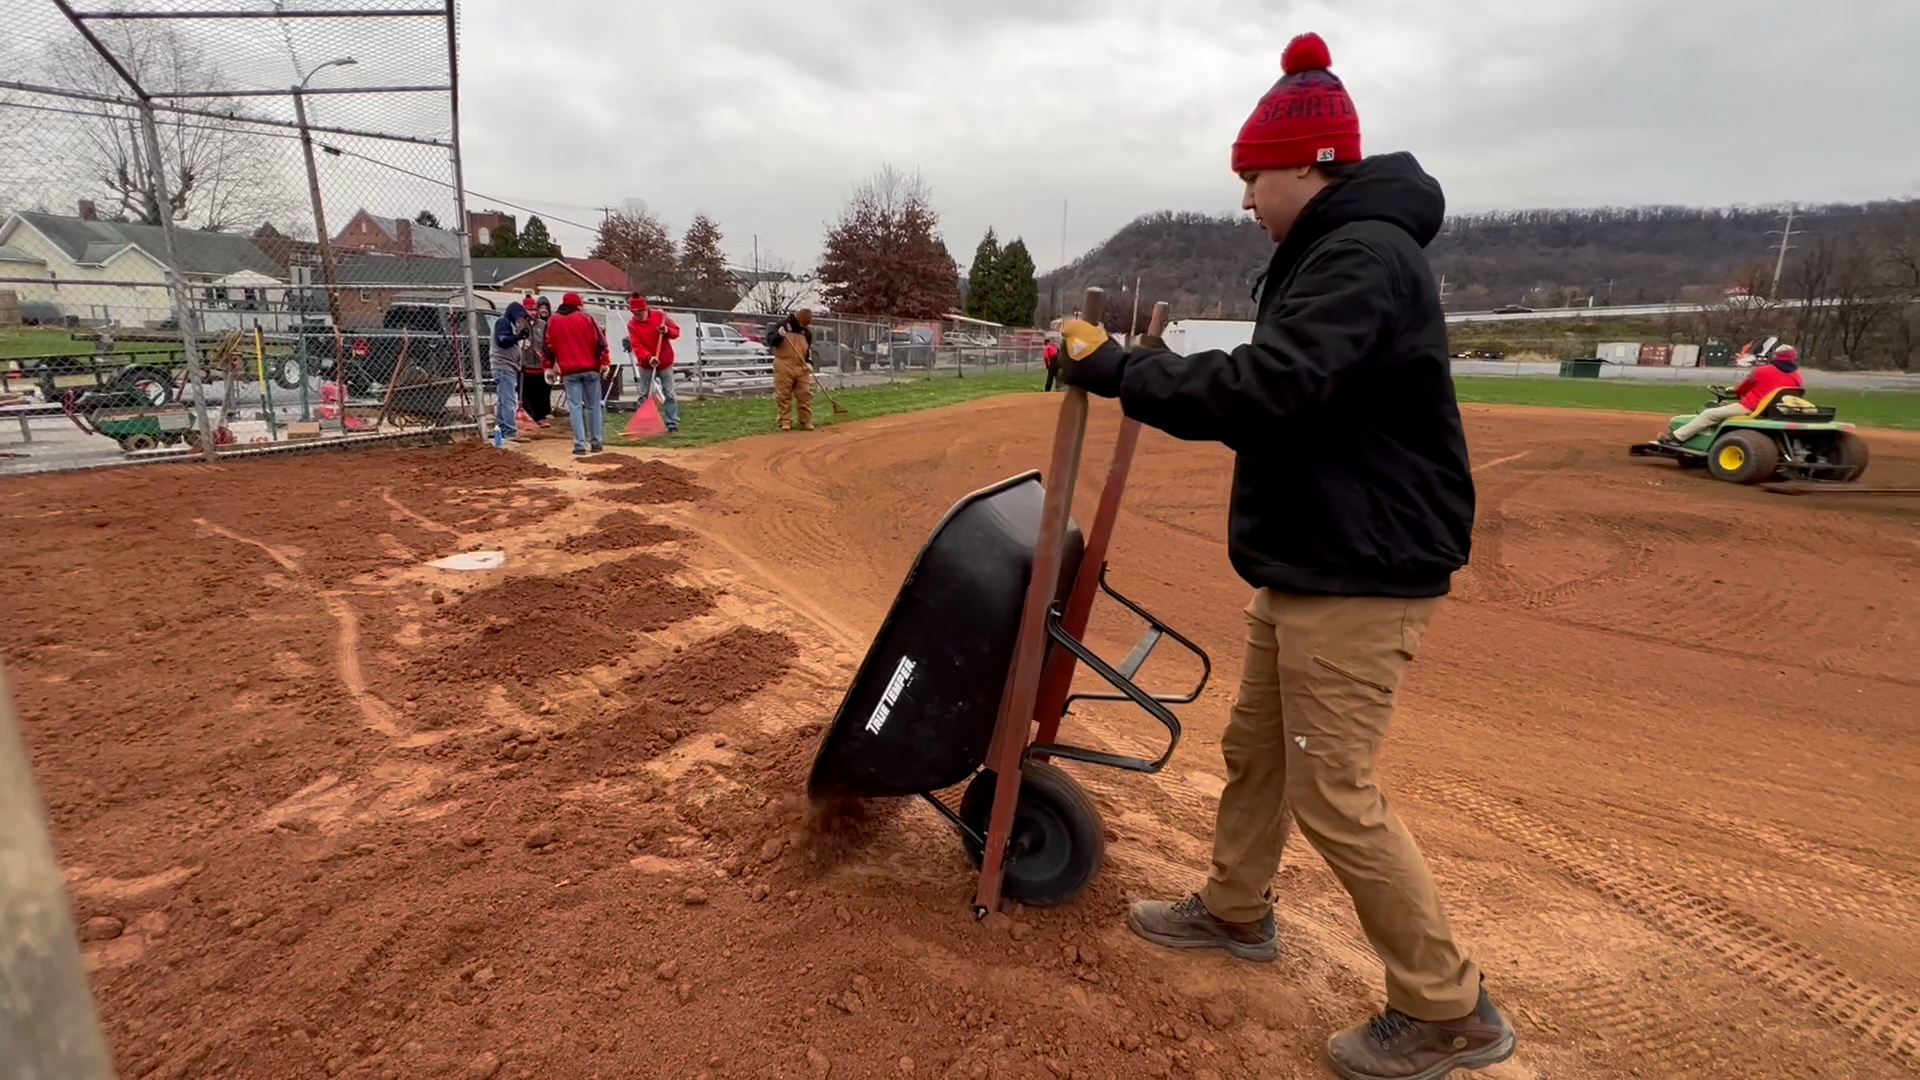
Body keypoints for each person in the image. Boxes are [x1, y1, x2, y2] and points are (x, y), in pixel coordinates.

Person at [1054, 33, 1511, 1080]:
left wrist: (1123, 373)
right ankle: (1231, 909)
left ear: (1311, 164)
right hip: (1313, 560)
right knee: (1259, 752)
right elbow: (1279, 379)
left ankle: (1450, 1011)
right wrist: (1143, 366)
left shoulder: (1362, 257)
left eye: (1253, 177)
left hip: (1362, 569)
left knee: (1331, 789)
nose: (1247, 198)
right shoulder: (1326, 255)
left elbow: (1272, 389)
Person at [1663, 345, 1802, 443]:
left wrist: (1733, 391)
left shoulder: (1763, 371)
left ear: (1775, 356)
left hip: (1752, 408)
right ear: (1793, 358)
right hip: (1776, 411)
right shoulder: (1796, 376)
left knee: (1709, 414)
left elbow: (1743, 388)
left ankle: (1677, 437)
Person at [543, 291, 610, 455]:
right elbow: (601, 343)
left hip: (569, 371)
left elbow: (548, 347)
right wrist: (605, 362)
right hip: (590, 369)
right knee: (594, 406)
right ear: (577, 304)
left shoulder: (553, 321)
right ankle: (596, 442)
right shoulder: (587, 319)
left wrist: (548, 367)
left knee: (575, 407)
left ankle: (580, 444)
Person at [623, 292, 683, 434]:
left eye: (639, 312)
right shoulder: (632, 325)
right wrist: (649, 357)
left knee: (669, 393)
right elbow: (636, 345)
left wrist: (666, 330)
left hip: (665, 362)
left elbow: (676, 332)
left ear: (645, 308)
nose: (637, 315)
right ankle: (645, 424)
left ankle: (672, 423)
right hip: (646, 365)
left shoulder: (660, 316)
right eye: (634, 312)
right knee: (644, 394)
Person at [489, 300, 531, 443]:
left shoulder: (508, 324)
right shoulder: (503, 322)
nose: (520, 320)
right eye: (518, 317)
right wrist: (518, 337)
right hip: (503, 366)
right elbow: (503, 341)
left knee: (503, 400)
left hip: (507, 367)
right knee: (508, 400)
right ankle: (510, 431)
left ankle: (503, 428)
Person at [766, 308, 815, 431]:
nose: (803, 327)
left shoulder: (807, 333)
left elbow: (808, 350)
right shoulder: (781, 325)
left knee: (805, 394)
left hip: (801, 366)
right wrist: (779, 336)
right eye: (802, 324)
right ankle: (785, 421)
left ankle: (806, 421)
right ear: (797, 319)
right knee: (783, 395)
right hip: (784, 364)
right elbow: (770, 341)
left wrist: (809, 362)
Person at [522, 296, 554, 425]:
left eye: (534, 310)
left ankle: (541, 416)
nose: (533, 313)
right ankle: (529, 417)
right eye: (530, 310)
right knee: (526, 394)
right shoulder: (520, 325)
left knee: (541, 393)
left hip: (541, 366)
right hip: (526, 365)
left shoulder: (543, 325)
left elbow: (548, 343)